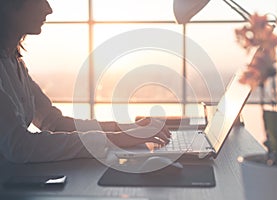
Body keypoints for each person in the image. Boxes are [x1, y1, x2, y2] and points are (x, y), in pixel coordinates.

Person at [0, 0, 171, 163]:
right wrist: (115, 139)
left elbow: (54, 122)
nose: (48, 9)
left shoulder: (13, 61)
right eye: (39, 0)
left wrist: (123, 128)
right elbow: (18, 145)